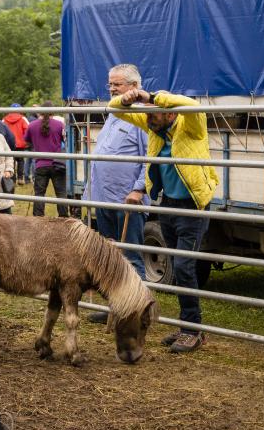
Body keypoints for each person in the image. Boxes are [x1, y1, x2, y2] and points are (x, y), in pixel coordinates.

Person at [112, 73, 218, 354]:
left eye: (153, 114)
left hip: (193, 207)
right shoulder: (153, 129)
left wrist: (151, 97)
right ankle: (187, 326)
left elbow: (191, 105)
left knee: (183, 267)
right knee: (178, 266)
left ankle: (192, 330)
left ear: (168, 114)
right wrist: (126, 98)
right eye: (146, 115)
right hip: (168, 205)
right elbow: (113, 109)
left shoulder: (191, 126)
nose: (146, 119)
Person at [84, 64, 150, 324]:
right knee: (110, 256)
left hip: (127, 200)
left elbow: (151, 156)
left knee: (131, 256)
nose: (111, 88)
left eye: (117, 85)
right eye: (110, 84)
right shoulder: (114, 112)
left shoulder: (143, 115)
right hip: (103, 197)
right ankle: (116, 307)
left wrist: (138, 188)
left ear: (134, 87)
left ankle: (138, 311)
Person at [24, 101, 68, 217]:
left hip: (40, 164)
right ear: (54, 111)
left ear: (40, 111)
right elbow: (65, 141)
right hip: (57, 163)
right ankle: (64, 218)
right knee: (61, 193)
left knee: (39, 194)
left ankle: (38, 219)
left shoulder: (32, 125)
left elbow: (27, 141)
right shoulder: (59, 125)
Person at [3, 103, 30, 184]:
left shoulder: (4, 119)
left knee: (11, 161)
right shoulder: (23, 119)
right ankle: (20, 178)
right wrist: (26, 141)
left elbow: (1, 130)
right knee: (21, 161)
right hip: (20, 144)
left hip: (9, 144)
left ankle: (13, 179)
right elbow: (28, 130)